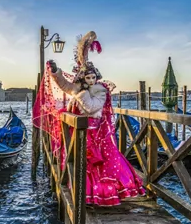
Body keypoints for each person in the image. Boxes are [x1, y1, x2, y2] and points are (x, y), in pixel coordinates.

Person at [34, 30, 145, 207]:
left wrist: (81, 93)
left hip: (95, 133)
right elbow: (65, 85)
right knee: (79, 163)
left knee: (99, 164)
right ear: (83, 77)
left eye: (94, 77)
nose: (92, 80)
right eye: (88, 77)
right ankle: (84, 193)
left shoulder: (100, 91)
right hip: (80, 131)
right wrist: (56, 72)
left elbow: (91, 107)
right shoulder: (78, 88)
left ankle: (102, 194)